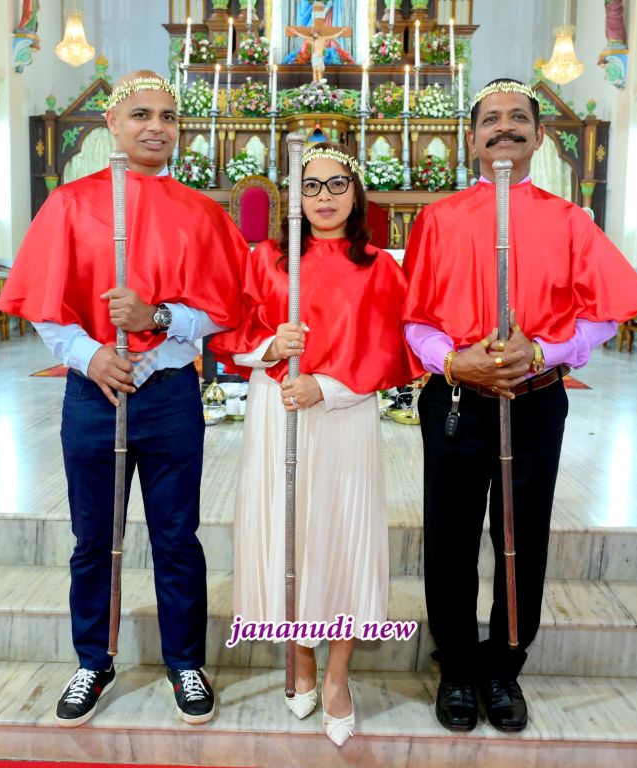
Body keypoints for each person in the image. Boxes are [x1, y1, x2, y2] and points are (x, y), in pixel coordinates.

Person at [402, 79, 637, 733]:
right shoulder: (438, 220)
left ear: (540, 137)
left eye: (519, 118)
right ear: (472, 138)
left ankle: (504, 666)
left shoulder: (571, 221)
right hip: (457, 400)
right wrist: (452, 360)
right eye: (491, 119)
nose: (505, 128)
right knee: (451, 538)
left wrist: (545, 351)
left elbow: (606, 313)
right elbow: (414, 319)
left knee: (522, 537)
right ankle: (457, 666)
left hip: (536, 402)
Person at [0, 71, 248, 727]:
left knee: (177, 535)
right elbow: (46, 305)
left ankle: (185, 662)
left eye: (168, 115)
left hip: (168, 396)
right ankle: (93, 659)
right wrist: (92, 356)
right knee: (92, 537)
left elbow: (220, 310)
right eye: (142, 114)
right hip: (94, 394)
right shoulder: (71, 204)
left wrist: (157, 320)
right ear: (113, 123)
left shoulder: (200, 213)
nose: (156, 127)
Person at [210, 143, 420, 747]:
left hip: (344, 414)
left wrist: (325, 386)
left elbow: (389, 345)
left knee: (343, 533)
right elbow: (234, 327)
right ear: (293, 197)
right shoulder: (268, 259)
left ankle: (337, 674)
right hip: (278, 407)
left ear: (356, 194)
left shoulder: (379, 267)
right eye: (310, 186)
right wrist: (271, 348)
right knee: (289, 533)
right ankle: (299, 654)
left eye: (336, 185)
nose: (323, 197)